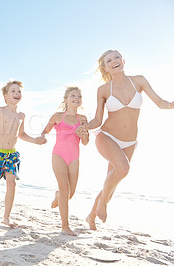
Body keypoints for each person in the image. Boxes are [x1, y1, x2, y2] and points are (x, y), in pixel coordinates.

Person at [83, 50, 174, 230]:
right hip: (107, 137)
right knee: (123, 169)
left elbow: (160, 102)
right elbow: (98, 120)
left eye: (117, 57)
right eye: (109, 60)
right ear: (105, 67)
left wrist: (171, 105)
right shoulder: (103, 90)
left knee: (112, 182)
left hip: (130, 142)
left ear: (123, 60)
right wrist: (85, 126)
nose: (114, 61)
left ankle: (91, 216)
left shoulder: (138, 80)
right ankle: (103, 204)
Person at [0, 80, 46, 227]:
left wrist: (35, 140)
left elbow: (21, 134)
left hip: (12, 155)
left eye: (19, 91)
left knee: (12, 183)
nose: (16, 93)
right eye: (13, 91)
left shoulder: (21, 116)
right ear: (5, 96)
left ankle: (6, 217)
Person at [39, 87, 89, 236]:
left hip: (74, 158)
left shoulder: (83, 119)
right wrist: (42, 137)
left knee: (70, 193)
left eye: (79, 96)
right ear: (66, 99)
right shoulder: (57, 116)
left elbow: (85, 142)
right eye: (73, 95)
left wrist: (83, 133)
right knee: (65, 188)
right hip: (58, 156)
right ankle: (65, 226)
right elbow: (45, 130)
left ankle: (58, 195)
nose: (76, 98)